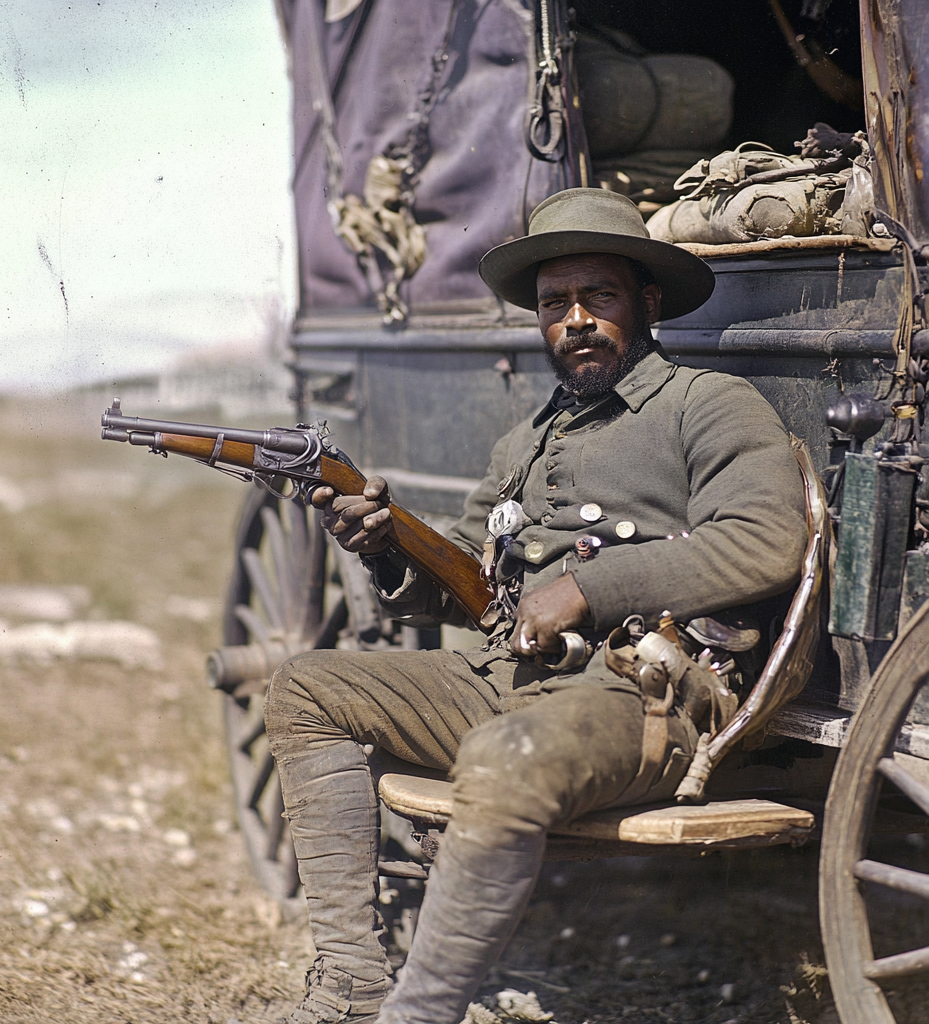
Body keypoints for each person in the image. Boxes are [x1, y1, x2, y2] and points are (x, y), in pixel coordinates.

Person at [265, 188, 808, 1024]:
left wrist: (591, 587)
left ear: (647, 303)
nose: (577, 319)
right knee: (306, 686)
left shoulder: (708, 405)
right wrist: (383, 545)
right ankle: (350, 982)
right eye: (556, 303)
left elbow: (768, 544)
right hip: (507, 681)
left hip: (642, 693)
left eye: (600, 298)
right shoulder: (527, 442)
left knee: (504, 756)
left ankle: (420, 1016)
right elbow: (464, 586)